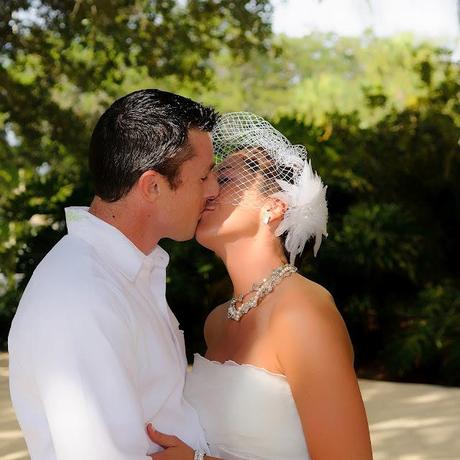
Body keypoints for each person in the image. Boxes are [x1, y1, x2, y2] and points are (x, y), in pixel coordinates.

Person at [8, 89, 220, 460]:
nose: (214, 189)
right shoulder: (81, 296)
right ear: (153, 186)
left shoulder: (130, 271)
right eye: (203, 177)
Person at [147, 113, 374, 459]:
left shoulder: (302, 311)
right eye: (207, 177)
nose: (208, 189)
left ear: (274, 207)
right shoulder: (217, 322)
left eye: (225, 179)